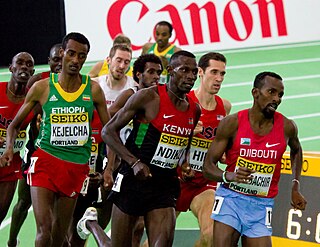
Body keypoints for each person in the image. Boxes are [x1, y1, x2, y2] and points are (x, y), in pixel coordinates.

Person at [0, 32, 111, 247]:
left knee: (59, 237)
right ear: (62, 54)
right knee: (45, 230)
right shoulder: (42, 87)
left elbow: (108, 132)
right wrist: (8, 148)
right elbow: (14, 125)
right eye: (71, 54)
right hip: (45, 161)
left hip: (76, 166)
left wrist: (109, 167)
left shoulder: (93, 90)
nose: (76, 60)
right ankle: (12, 240)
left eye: (82, 56)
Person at [102, 50, 201, 247]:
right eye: (184, 70)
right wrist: (134, 162)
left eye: (194, 72)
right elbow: (108, 132)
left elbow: (184, 144)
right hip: (133, 180)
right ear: (171, 71)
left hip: (164, 184)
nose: (190, 76)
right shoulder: (148, 97)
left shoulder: (194, 109)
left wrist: (185, 164)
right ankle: (92, 225)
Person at [203, 71, 307, 247]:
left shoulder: (287, 127)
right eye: (271, 92)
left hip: (261, 204)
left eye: (280, 95)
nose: (276, 99)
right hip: (231, 199)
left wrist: (295, 185)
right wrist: (228, 176)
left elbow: (296, 150)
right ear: (255, 93)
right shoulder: (232, 123)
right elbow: (207, 166)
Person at [76, 53, 163, 247]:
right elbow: (107, 122)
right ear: (138, 74)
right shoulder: (131, 95)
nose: (156, 77)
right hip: (125, 163)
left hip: (145, 165)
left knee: (139, 226)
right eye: (151, 72)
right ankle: (91, 224)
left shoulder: (158, 98)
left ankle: (92, 223)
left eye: (159, 73)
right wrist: (108, 159)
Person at [7, 44, 62, 247]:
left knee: (57, 213)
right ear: (49, 61)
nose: (59, 63)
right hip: (34, 152)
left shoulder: (76, 85)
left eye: (62, 59)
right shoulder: (38, 82)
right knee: (23, 202)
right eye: (55, 59)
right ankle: (12, 240)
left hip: (62, 156)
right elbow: (24, 111)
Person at [175, 52, 231, 247]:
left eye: (222, 74)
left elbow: (219, 143)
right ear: (200, 72)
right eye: (214, 72)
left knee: (212, 235)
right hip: (173, 181)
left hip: (203, 184)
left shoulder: (224, 107)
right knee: (159, 241)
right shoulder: (183, 101)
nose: (219, 78)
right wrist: (187, 132)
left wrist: (222, 154)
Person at [0, 52, 35, 227]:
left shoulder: (33, 98)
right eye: (20, 63)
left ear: (33, 71)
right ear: (11, 68)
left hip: (10, 164)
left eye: (29, 64)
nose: (24, 67)